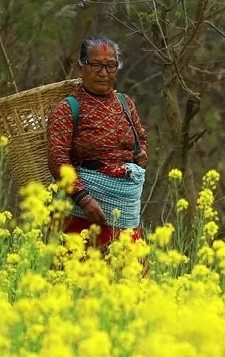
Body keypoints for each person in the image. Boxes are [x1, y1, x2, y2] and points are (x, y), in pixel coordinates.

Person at [47, 35, 149, 247]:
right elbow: (58, 160)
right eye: (95, 65)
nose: (104, 73)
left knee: (130, 278)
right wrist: (84, 199)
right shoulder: (68, 109)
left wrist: (141, 156)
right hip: (82, 220)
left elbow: (141, 138)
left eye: (110, 66)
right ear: (80, 67)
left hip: (126, 218)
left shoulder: (125, 103)